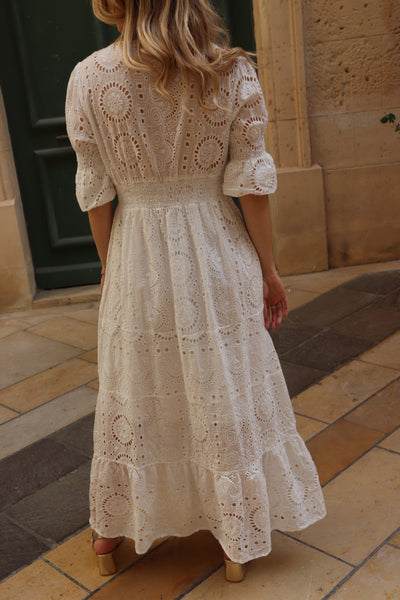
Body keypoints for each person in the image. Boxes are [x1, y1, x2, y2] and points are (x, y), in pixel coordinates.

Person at [65, 0, 326, 584]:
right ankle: (235, 537)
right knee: (221, 384)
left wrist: (111, 269)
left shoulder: (88, 77)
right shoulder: (230, 71)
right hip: (216, 248)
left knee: (139, 385)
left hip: (135, 252)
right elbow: (250, 185)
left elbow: (96, 191)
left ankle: (110, 532)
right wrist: (270, 270)